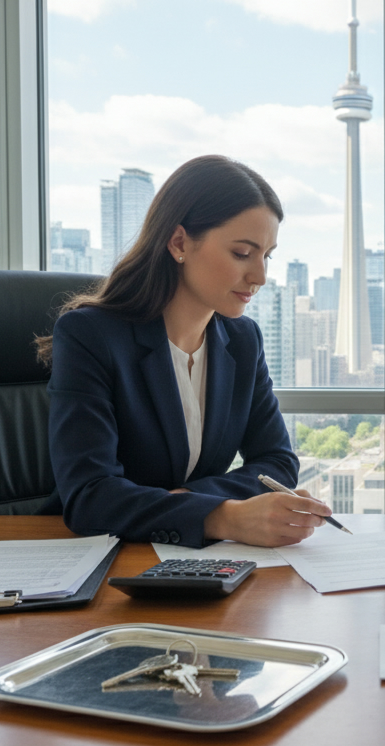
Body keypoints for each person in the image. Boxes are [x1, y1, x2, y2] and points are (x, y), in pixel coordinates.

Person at [37, 155, 331, 548]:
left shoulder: (243, 341)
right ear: (179, 243)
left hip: (190, 563)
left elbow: (276, 463)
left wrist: (191, 501)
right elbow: (90, 495)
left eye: (267, 255)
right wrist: (221, 515)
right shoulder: (90, 336)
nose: (260, 276)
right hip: (98, 560)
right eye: (242, 253)